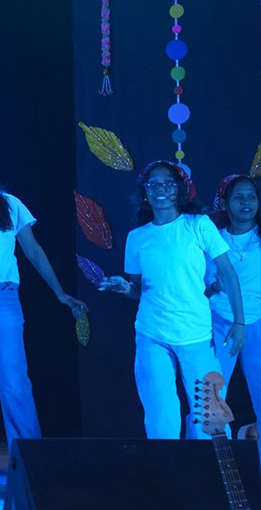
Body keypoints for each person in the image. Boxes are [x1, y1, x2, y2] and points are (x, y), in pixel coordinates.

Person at [0, 148, 87, 462]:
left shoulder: (9, 205)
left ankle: (28, 459)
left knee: (14, 380)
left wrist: (59, 293)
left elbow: (33, 251)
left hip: (1, 296)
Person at [98, 161, 244, 439]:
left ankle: (207, 467)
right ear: (144, 192)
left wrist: (239, 322)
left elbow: (227, 272)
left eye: (168, 183)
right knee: (161, 421)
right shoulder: (137, 237)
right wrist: (124, 287)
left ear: (180, 189)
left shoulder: (198, 225)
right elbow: (137, 290)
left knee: (210, 420)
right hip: (152, 335)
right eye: (153, 184)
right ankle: (166, 468)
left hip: (196, 336)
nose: (160, 189)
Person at [207, 175, 261, 419]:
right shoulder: (212, 239)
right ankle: (209, 444)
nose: (246, 202)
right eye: (239, 197)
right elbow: (200, 292)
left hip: (258, 322)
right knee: (211, 399)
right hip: (219, 322)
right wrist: (216, 286)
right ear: (225, 203)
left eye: (251, 196)